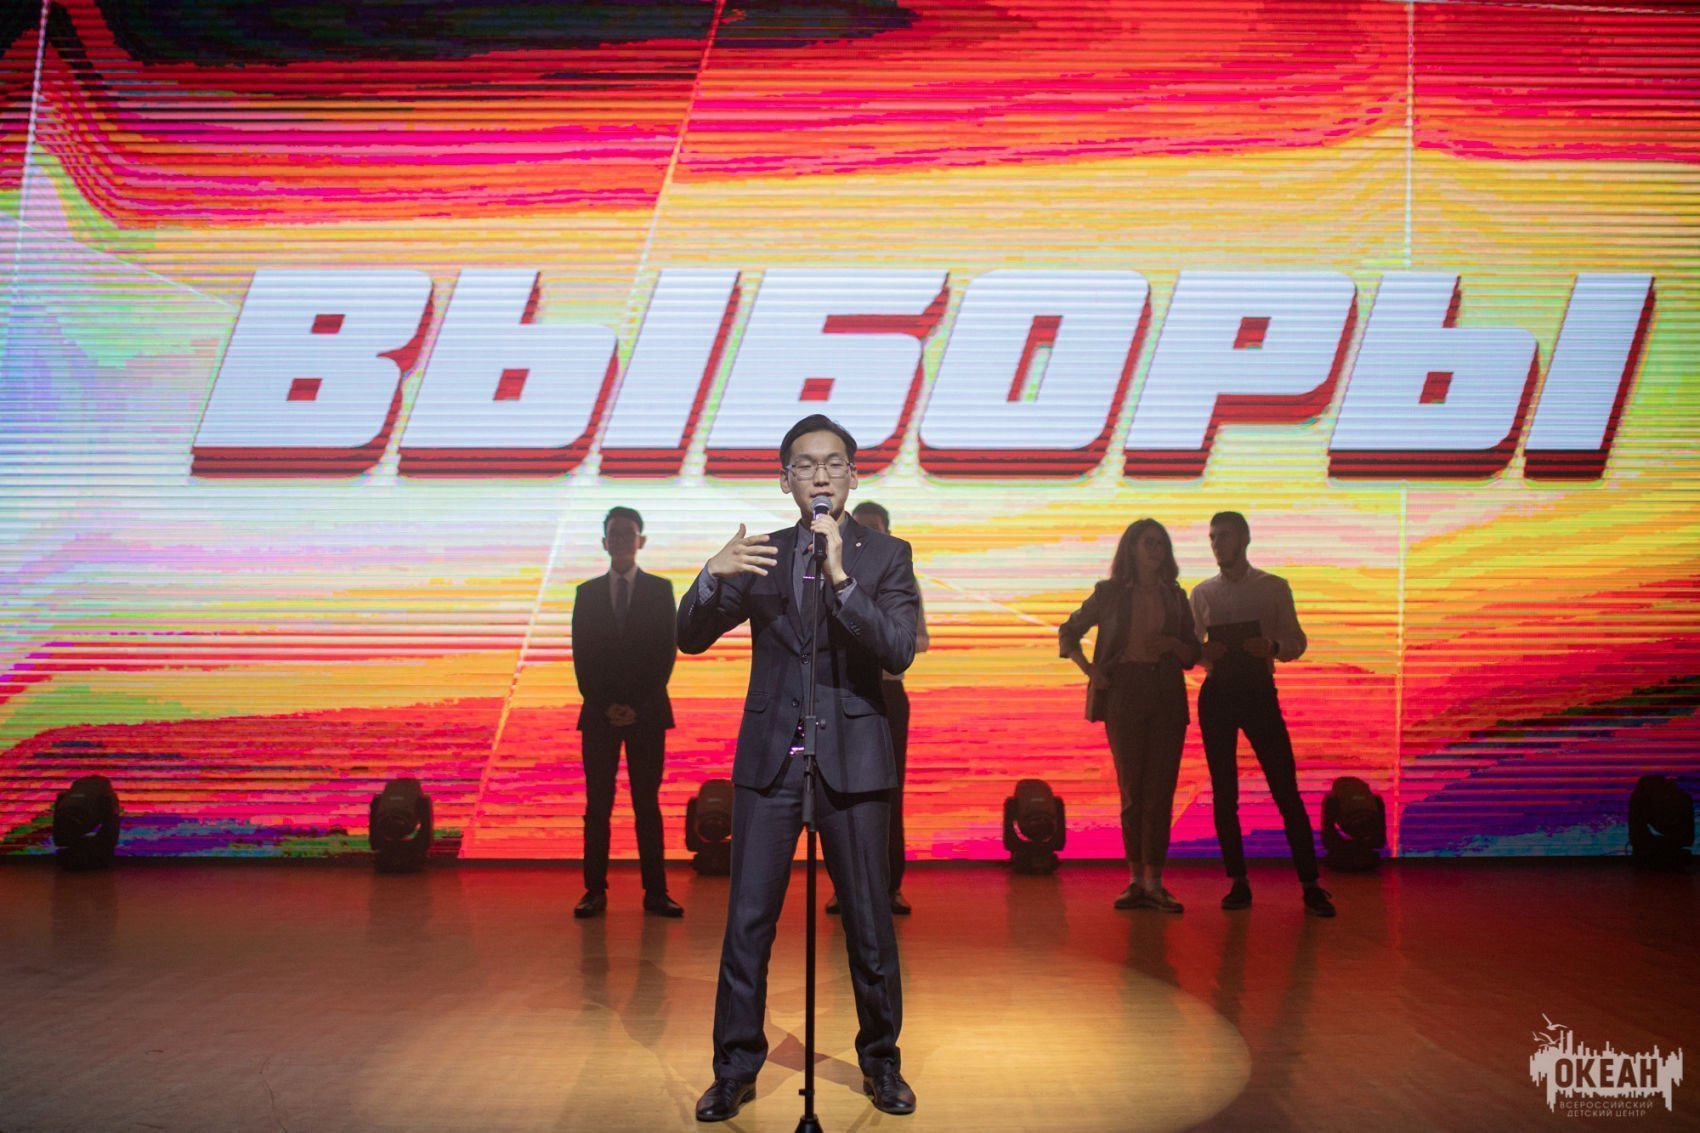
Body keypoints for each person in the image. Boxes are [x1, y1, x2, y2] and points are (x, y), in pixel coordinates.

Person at [681, 414, 921, 1122]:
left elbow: (898, 648)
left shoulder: (886, 554)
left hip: (854, 760)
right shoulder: (760, 554)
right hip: (771, 761)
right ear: (786, 479)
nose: (821, 475)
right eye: (806, 465)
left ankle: (882, 1063)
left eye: (834, 463)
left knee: (869, 924)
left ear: (853, 476)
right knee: (748, 924)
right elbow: (689, 637)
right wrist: (709, 575)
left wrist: (843, 579)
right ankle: (734, 1068)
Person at [1190, 511, 1335, 918]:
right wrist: (1204, 653)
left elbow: (1296, 640)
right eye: (1212, 536)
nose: (1217, 544)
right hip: (1218, 693)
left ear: (1245, 539)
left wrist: (1270, 647)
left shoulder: (1273, 587)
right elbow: (1190, 649)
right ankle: (1238, 880)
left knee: (1284, 787)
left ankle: (1310, 883)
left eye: (1224, 536)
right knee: (1225, 793)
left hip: (1258, 693)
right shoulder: (1202, 593)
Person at [1059, 519, 1200, 913]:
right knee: (1133, 791)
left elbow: (1192, 652)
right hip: (1124, 691)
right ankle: (1136, 879)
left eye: (1161, 544)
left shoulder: (1176, 595)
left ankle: (1155, 881)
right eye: (1148, 543)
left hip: (1166, 692)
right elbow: (1069, 631)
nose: (1156, 550)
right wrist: (1090, 670)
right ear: (1131, 549)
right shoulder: (1110, 593)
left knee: (1160, 791)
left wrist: (1172, 643)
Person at [570, 506, 682, 919]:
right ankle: (593, 891)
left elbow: (665, 654)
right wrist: (607, 706)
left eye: (627, 533)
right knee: (597, 806)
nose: (620, 540)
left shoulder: (660, 589)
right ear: (604, 542)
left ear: (641, 540)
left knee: (646, 804)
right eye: (613, 534)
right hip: (599, 716)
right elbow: (582, 657)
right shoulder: (587, 593)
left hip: (647, 715)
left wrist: (636, 706)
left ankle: (656, 892)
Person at [824, 500, 928, 917]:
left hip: (887, 691)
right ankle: (842, 888)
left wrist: (878, 635)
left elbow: (919, 640)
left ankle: (891, 887)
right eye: (862, 528)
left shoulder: (899, 574)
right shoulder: (834, 573)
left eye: (876, 528)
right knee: (839, 790)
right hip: (844, 690)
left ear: (887, 531)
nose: (868, 535)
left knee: (889, 791)